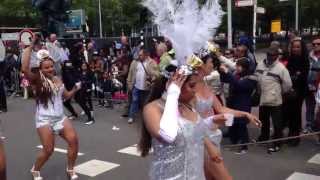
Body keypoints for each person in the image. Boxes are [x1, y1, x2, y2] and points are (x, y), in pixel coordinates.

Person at [138, 67, 231, 180]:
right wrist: (173, 94)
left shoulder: (188, 105)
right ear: (175, 84)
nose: (195, 90)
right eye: (191, 85)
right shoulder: (153, 108)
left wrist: (212, 121)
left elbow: (191, 129)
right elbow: (168, 135)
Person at [22, 44, 80, 180]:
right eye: (46, 67)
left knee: (74, 141)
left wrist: (76, 89)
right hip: (44, 119)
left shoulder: (57, 79)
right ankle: (35, 169)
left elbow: (65, 96)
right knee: (48, 150)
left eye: (51, 66)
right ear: (40, 69)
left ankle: (70, 169)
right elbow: (24, 68)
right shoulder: (37, 80)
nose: (50, 69)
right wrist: (30, 47)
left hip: (60, 117)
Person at [255, 46, 292, 152]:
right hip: (263, 99)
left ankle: (277, 143)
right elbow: (257, 77)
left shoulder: (281, 68)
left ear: (277, 56)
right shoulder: (260, 64)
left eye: (273, 55)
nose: (270, 57)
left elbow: (288, 85)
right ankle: (264, 137)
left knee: (277, 124)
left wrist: (278, 92)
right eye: (269, 54)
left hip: (275, 101)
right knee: (263, 121)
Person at [220, 58, 257, 154]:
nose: (237, 68)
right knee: (231, 124)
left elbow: (239, 85)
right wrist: (222, 72)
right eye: (237, 65)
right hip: (232, 103)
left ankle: (244, 146)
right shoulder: (236, 75)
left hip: (243, 104)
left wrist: (227, 72)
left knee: (241, 125)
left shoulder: (251, 78)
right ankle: (234, 143)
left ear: (245, 67)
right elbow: (225, 79)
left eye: (239, 66)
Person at [282, 39, 309, 146]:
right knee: (288, 113)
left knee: (296, 114)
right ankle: (289, 136)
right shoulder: (291, 59)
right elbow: (287, 74)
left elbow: (302, 77)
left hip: (299, 91)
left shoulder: (305, 60)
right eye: (294, 47)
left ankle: (295, 137)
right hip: (289, 90)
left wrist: (293, 78)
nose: (295, 49)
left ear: (302, 48)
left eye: (298, 47)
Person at [127, 49, 159, 124]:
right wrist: (129, 83)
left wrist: (152, 75)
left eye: (141, 55)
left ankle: (145, 118)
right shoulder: (135, 62)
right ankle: (131, 116)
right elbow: (130, 73)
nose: (139, 56)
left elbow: (157, 74)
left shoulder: (152, 62)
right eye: (139, 54)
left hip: (146, 87)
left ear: (145, 55)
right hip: (136, 86)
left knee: (145, 103)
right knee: (134, 101)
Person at [305, 37, 320, 133]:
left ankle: (317, 126)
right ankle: (309, 125)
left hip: (319, 86)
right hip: (309, 85)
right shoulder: (308, 56)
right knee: (309, 106)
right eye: (313, 44)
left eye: (318, 44)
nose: (315, 46)